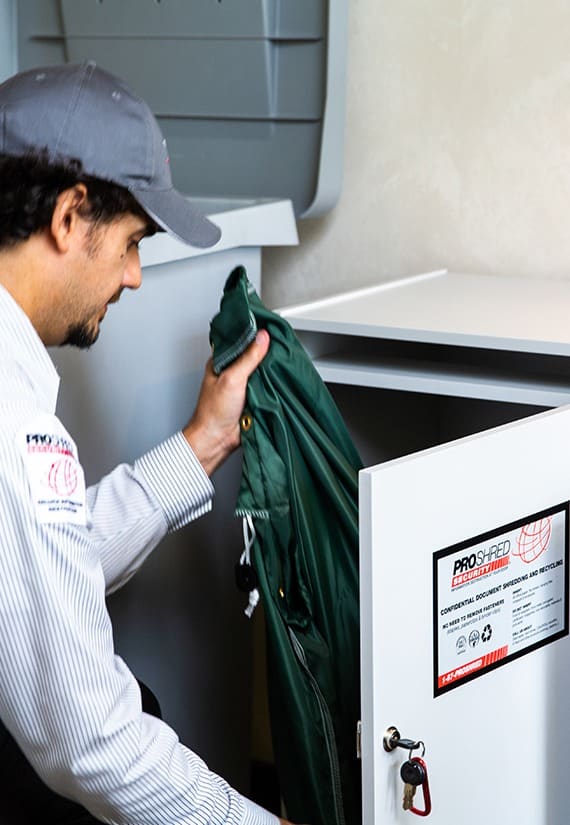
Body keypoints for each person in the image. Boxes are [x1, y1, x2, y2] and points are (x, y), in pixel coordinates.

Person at [0, 61, 293, 825]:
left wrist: (201, 443)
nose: (134, 276)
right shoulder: (13, 416)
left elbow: (35, 566)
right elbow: (90, 737)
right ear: (68, 217)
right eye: (131, 242)